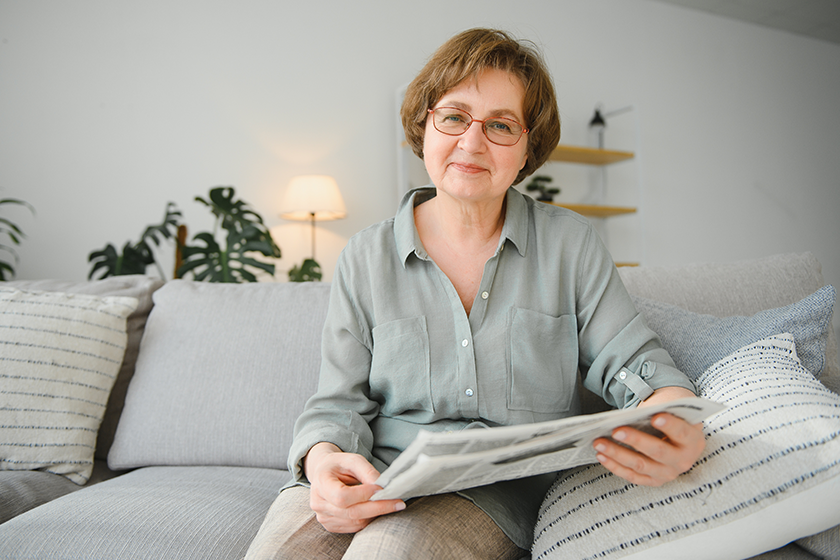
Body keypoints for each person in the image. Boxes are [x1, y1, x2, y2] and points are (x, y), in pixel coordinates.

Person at [245, 28, 704, 560]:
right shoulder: (364, 258)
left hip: (490, 494)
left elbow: (639, 370)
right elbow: (337, 404)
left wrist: (679, 427)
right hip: (374, 473)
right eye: (455, 116)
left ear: (528, 147)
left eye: (501, 125)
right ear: (425, 124)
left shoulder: (570, 245)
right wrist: (323, 462)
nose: (472, 142)